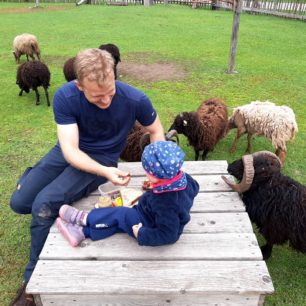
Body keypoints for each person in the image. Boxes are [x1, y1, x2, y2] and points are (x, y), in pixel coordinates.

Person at [9, 48, 165, 305]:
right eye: (97, 96)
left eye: (110, 92)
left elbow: (156, 129)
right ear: (79, 85)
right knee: (19, 203)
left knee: (42, 206)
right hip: (68, 151)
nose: (106, 101)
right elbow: (70, 149)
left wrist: (153, 168)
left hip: (102, 157)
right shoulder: (65, 96)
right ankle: (34, 178)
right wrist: (106, 175)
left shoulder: (135, 98)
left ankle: (32, 281)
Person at [56, 141, 200, 247]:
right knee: (119, 223)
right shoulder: (184, 179)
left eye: (147, 172)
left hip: (148, 223)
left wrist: (142, 234)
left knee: (121, 214)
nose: (145, 173)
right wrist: (156, 184)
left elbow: (169, 234)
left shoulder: (165, 203)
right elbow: (195, 188)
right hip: (150, 212)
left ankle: (84, 218)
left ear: (157, 175)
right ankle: (82, 232)